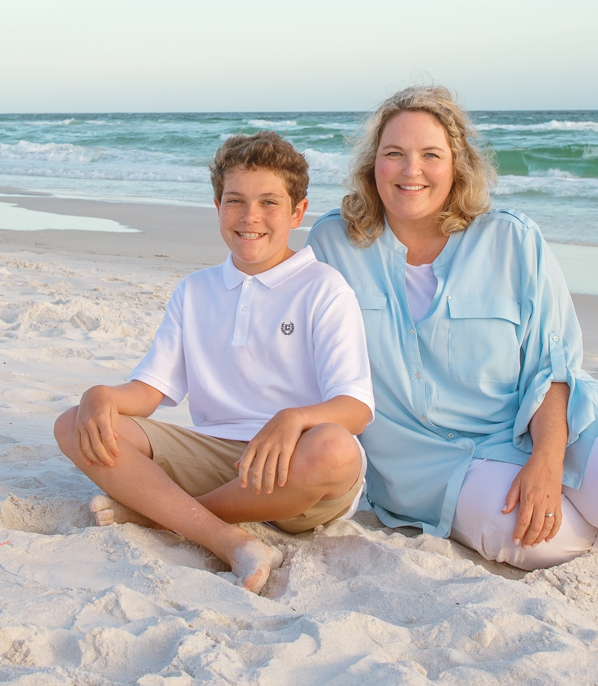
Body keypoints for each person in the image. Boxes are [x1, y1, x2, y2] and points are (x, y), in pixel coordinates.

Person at [307, 87, 598, 569]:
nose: (412, 170)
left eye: (430, 154)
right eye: (395, 154)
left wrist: (546, 459)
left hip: (541, 426)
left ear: (457, 165)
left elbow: (551, 366)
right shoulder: (335, 244)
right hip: (431, 463)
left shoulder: (512, 240)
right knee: (536, 540)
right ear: (373, 164)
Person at [54, 131, 375, 593]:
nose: (250, 217)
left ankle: (160, 514)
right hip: (217, 457)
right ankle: (226, 539)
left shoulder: (323, 288)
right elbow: (150, 391)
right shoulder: (195, 290)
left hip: (296, 474)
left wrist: (294, 419)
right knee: (74, 424)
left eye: (270, 203)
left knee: (336, 450)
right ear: (217, 205)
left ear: (298, 213)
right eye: (235, 201)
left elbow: (356, 406)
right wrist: (101, 395)